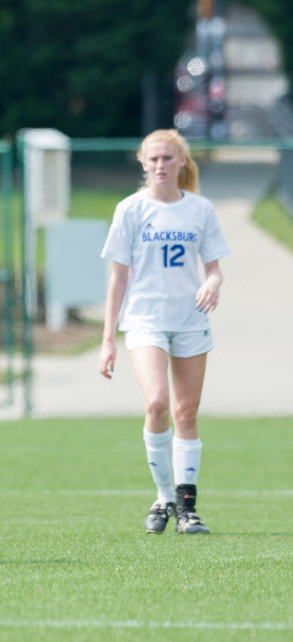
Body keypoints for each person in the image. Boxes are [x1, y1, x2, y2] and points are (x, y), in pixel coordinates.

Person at [97, 129, 228, 535]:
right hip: (145, 319)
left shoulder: (200, 209)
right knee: (157, 403)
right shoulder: (130, 210)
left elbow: (214, 267)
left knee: (186, 412)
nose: (160, 166)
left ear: (182, 162)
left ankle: (187, 508)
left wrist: (212, 283)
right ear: (142, 162)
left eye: (168, 159)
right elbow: (117, 279)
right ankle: (164, 496)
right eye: (153, 159)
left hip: (190, 319)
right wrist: (107, 339)